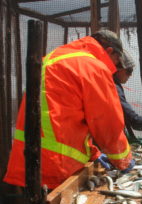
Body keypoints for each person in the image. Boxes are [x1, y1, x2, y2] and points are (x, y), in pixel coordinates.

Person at [4, 30, 134, 190]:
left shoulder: (51, 58)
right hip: (58, 165)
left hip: (27, 161)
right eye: (116, 60)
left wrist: (94, 153)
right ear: (109, 51)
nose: (115, 66)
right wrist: (123, 159)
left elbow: (62, 115)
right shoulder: (93, 66)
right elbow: (107, 124)